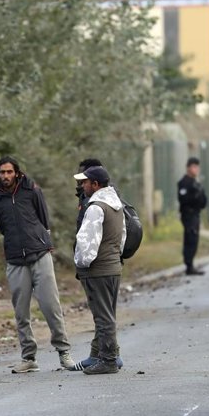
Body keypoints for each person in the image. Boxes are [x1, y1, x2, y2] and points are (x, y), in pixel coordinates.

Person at [0, 156, 75, 373]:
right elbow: (2, 227)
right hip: (16, 260)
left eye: (9, 172)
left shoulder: (32, 190)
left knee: (50, 306)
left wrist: (42, 241)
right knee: (21, 311)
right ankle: (29, 358)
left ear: (16, 172)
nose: (6, 176)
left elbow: (43, 218)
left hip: (39, 255)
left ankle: (64, 353)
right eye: (2, 173)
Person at [70, 158, 123, 372]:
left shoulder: (95, 207)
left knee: (102, 317)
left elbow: (87, 243)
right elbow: (122, 238)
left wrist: (82, 264)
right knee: (108, 314)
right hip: (113, 267)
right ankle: (106, 356)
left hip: (98, 270)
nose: (82, 186)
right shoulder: (116, 205)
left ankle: (109, 360)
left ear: (95, 184)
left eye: (85, 183)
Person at [177, 157, 207, 275]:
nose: (196, 169)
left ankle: (191, 264)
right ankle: (188, 265)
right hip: (188, 214)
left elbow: (203, 201)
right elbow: (183, 199)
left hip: (196, 213)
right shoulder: (184, 182)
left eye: (197, 167)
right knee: (190, 238)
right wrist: (195, 196)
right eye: (194, 167)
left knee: (194, 239)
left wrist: (200, 195)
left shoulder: (196, 183)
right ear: (188, 168)